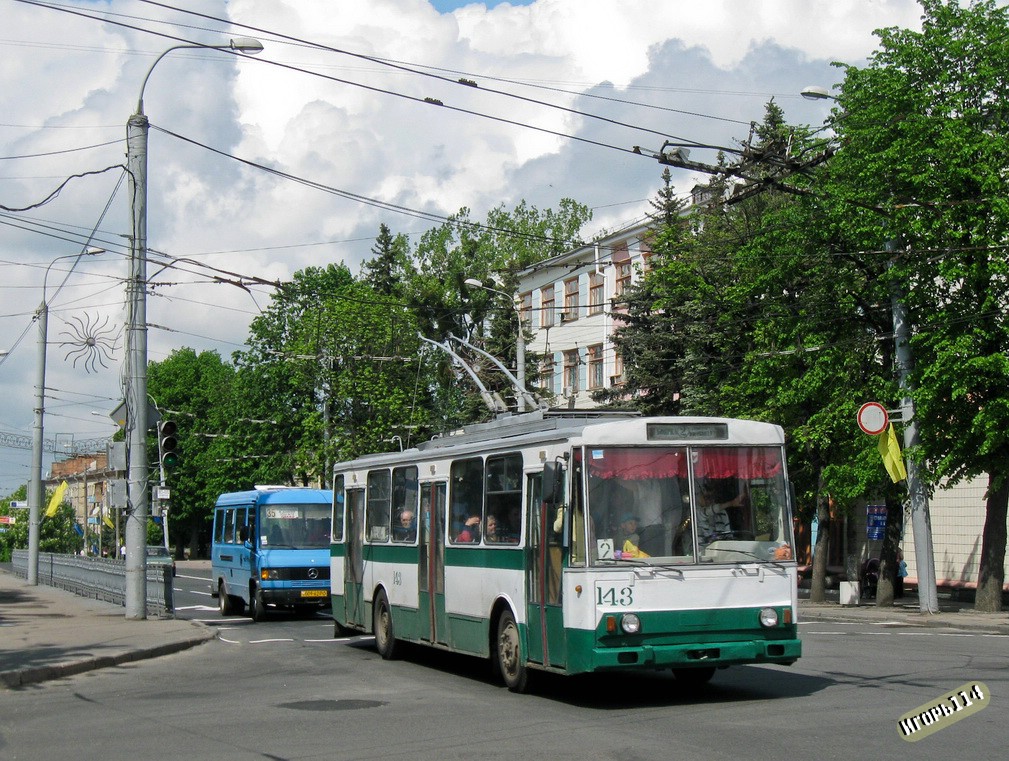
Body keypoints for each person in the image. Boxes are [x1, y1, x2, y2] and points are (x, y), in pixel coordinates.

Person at [695, 480, 744, 545]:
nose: (709, 501)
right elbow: (709, 511)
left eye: (711, 497)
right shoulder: (696, 512)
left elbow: (728, 535)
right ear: (699, 497)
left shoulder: (722, 513)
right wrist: (731, 503)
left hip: (720, 549)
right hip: (700, 550)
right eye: (706, 497)